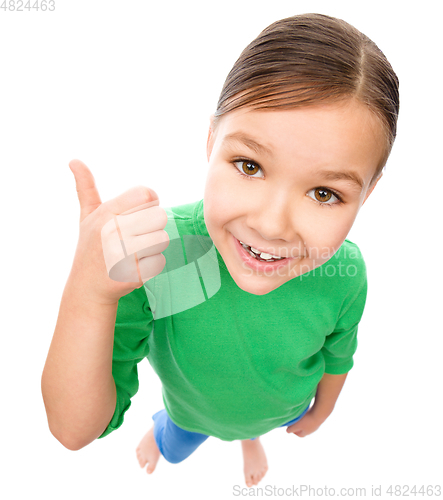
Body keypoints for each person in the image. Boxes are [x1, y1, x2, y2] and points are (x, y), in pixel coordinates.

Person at [41, 13, 399, 488]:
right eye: (249, 165)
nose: (270, 224)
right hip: (190, 413)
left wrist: (319, 413)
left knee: (252, 426)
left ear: (368, 193)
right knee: (177, 441)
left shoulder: (347, 272)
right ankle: (164, 434)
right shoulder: (158, 258)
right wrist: (89, 293)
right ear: (212, 141)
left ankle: (248, 438)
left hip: (278, 410)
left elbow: (339, 353)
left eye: (324, 193)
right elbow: (72, 430)